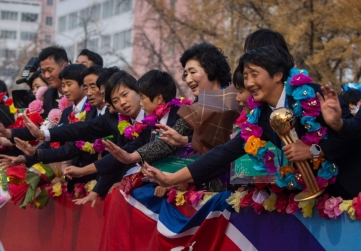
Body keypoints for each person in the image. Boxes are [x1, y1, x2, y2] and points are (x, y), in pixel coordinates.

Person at [144, 46, 361, 199]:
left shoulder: (312, 94)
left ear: (277, 75)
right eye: (245, 77)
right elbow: (223, 153)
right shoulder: (261, 117)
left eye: (254, 75)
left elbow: (352, 137)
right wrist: (171, 178)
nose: (249, 83)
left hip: (351, 189)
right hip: (314, 195)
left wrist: (315, 149)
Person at [102, 44, 232, 168]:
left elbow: (226, 144)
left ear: (212, 69)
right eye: (185, 74)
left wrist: (185, 140)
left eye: (192, 72)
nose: (187, 79)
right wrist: (131, 157)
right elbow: (169, 141)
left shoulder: (235, 100)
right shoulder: (196, 106)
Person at [37, 46, 70, 116]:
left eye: (50, 70)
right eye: (43, 71)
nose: (46, 76)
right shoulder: (48, 96)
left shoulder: (79, 94)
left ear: (65, 67)